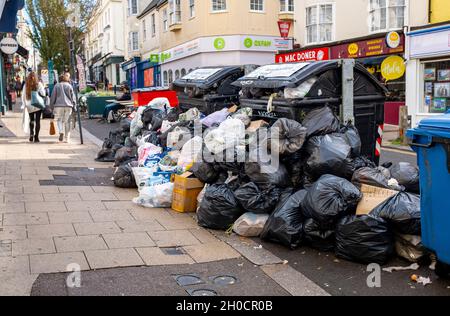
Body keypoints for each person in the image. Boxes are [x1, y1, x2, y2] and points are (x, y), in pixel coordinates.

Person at [50, 72, 76, 143]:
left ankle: (61, 132)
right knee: (67, 122)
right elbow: (73, 97)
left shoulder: (57, 86)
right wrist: (74, 105)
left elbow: (53, 97)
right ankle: (67, 138)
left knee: (59, 120)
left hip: (58, 106)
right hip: (68, 106)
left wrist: (51, 106)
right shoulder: (69, 86)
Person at [22, 72, 46, 143]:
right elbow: (43, 94)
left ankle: (31, 134)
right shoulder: (39, 84)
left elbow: (23, 95)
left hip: (29, 104)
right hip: (38, 104)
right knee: (38, 121)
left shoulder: (26, 85)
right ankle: (36, 137)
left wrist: (24, 104)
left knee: (31, 120)